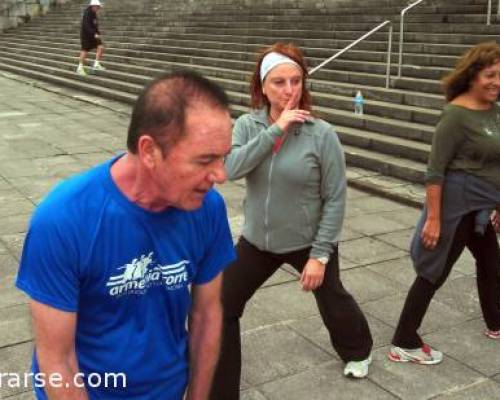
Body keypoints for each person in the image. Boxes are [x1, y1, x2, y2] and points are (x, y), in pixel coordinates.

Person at [16, 70, 236, 399]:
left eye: (223, 156)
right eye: (205, 160)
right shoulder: (63, 220)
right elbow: (57, 359)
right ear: (149, 151)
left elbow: (207, 315)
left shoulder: (207, 209)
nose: (220, 175)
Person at [210, 42, 373, 400]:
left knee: (333, 299)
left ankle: (358, 349)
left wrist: (320, 255)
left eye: (296, 81)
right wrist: (275, 129)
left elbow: (335, 198)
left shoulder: (321, 133)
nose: (289, 90)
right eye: (280, 82)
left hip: (307, 240)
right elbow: (231, 169)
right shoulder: (247, 126)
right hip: (257, 241)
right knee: (222, 305)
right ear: (263, 86)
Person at [389, 42, 500, 365]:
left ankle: (496, 322)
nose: (496, 82)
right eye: (490, 75)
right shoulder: (455, 115)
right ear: (472, 76)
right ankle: (404, 340)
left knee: (492, 265)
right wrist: (434, 219)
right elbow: (435, 172)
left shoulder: (493, 110)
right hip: (456, 209)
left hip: (480, 208)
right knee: (434, 272)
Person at [76, 0, 105, 76]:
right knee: (84, 51)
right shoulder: (87, 13)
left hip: (93, 35)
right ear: (93, 6)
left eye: (99, 7)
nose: (98, 8)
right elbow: (86, 25)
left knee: (100, 46)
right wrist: (94, 34)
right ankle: (79, 68)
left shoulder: (94, 13)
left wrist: (98, 32)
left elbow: (95, 24)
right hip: (86, 35)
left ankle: (96, 64)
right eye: (97, 7)